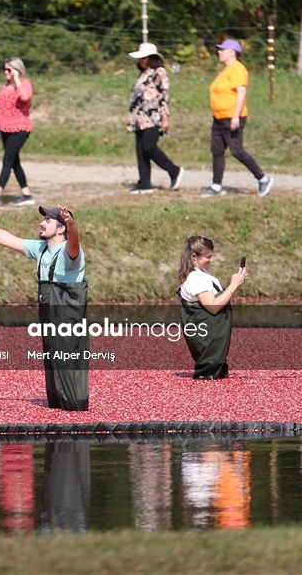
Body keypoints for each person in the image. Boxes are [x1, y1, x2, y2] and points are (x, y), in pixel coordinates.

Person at [0, 203, 89, 410]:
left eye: (48, 220)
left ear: (61, 229)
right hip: (49, 316)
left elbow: (74, 243)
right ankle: (58, 407)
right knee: (52, 362)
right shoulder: (41, 248)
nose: (42, 223)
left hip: (68, 317)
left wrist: (72, 224)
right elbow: (7, 239)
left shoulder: (70, 254)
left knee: (67, 364)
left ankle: (73, 411)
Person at [201, 40, 273, 198]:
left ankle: (263, 179)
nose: (219, 52)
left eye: (222, 50)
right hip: (219, 117)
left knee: (237, 150)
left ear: (232, 52)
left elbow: (241, 93)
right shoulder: (225, 70)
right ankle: (216, 185)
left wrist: (235, 117)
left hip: (232, 117)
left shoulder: (237, 69)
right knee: (217, 151)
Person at [177, 235, 248, 379]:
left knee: (217, 374)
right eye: (208, 257)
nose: (212, 260)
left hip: (213, 338)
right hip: (208, 339)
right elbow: (213, 307)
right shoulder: (196, 278)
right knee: (208, 376)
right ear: (194, 256)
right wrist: (234, 284)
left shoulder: (201, 274)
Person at [126, 42, 184, 194]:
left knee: (149, 146)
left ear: (151, 57)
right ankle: (145, 183)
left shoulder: (159, 73)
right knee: (140, 150)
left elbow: (163, 97)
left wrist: (165, 118)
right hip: (139, 118)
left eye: (143, 57)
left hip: (153, 117)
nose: (140, 61)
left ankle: (174, 170)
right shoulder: (144, 73)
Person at [0, 58, 35, 207]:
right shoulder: (6, 85)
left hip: (20, 128)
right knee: (14, 162)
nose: (5, 72)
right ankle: (27, 195)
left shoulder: (25, 84)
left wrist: (17, 79)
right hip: (5, 127)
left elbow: (25, 97)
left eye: (9, 69)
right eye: (5, 69)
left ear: (17, 70)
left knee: (7, 159)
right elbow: (3, 101)